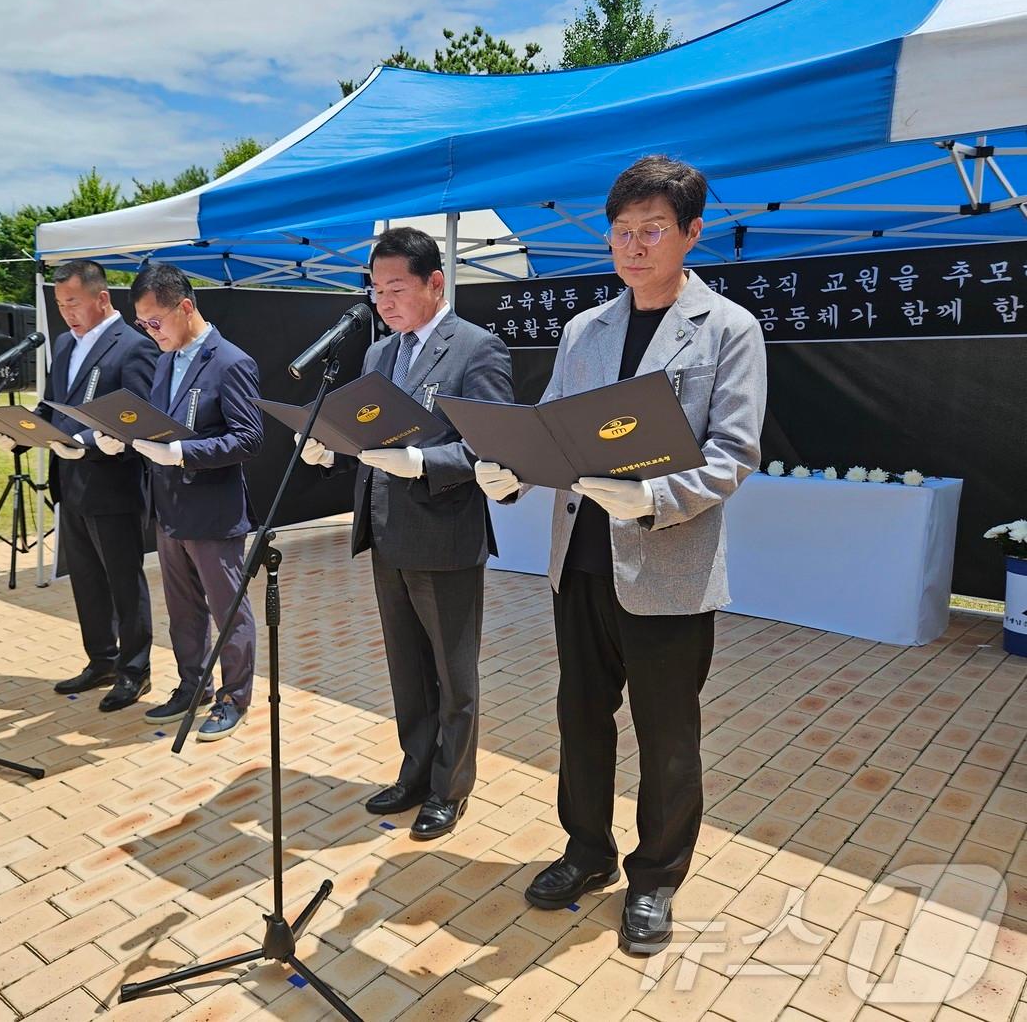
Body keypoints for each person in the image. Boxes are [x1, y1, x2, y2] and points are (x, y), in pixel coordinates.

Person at [474, 155, 767, 953]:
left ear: (691, 233)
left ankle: (657, 877)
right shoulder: (584, 330)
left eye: (652, 232)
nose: (634, 248)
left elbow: (734, 452)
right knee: (581, 717)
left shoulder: (730, 329)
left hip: (668, 565)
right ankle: (586, 851)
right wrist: (508, 472)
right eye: (622, 232)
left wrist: (656, 499)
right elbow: (552, 430)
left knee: (667, 732)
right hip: (581, 562)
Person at [298, 226, 513, 840]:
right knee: (406, 668)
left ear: (434, 283)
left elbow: (491, 448)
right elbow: (368, 431)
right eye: (376, 289)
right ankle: (415, 769)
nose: (383, 301)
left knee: (453, 671)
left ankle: (449, 788)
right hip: (386, 530)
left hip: (443, 532)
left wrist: (424, 463)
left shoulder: (477, 349)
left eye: (396, 288)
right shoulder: (377, 354)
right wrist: (330, 449)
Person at [102, 262, 262, 742]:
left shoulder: (231, 362)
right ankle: (193, 685)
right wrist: (126, 437)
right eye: (142, 324)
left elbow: (250, 438)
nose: (150, 332)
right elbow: (160, 421)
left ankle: (235, 697)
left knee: (227, 608)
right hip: (169, 508)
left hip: (213, 512)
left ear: (185, 306)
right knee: (183, 609)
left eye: (156, 321)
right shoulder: (167, 359)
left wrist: (181, 453)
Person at [0, 260, 158, 706]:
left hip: (113, 482)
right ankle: (101, 659)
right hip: (71, 482)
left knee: (123, 580)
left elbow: (137, 415)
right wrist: (20, 435)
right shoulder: (64, 344)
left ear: (101, 298)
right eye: (60, 304)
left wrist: (83, 440)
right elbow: (53, 407)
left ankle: (135, 669)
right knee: (85, 578)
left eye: (73, 303)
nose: (66, 312)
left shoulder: (134, 347)